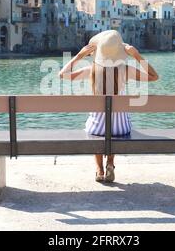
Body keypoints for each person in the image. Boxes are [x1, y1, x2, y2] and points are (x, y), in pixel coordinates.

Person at [59, 30, 159, 183]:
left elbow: (62, 74)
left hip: (96, 129)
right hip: (121, 129)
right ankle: (110, 163)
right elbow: (154, 76)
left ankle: (99, 170)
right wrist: (137, 55)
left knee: (97, 124)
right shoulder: (126, 70)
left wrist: (79, 55)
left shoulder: (90, 70)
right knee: (117, 122)